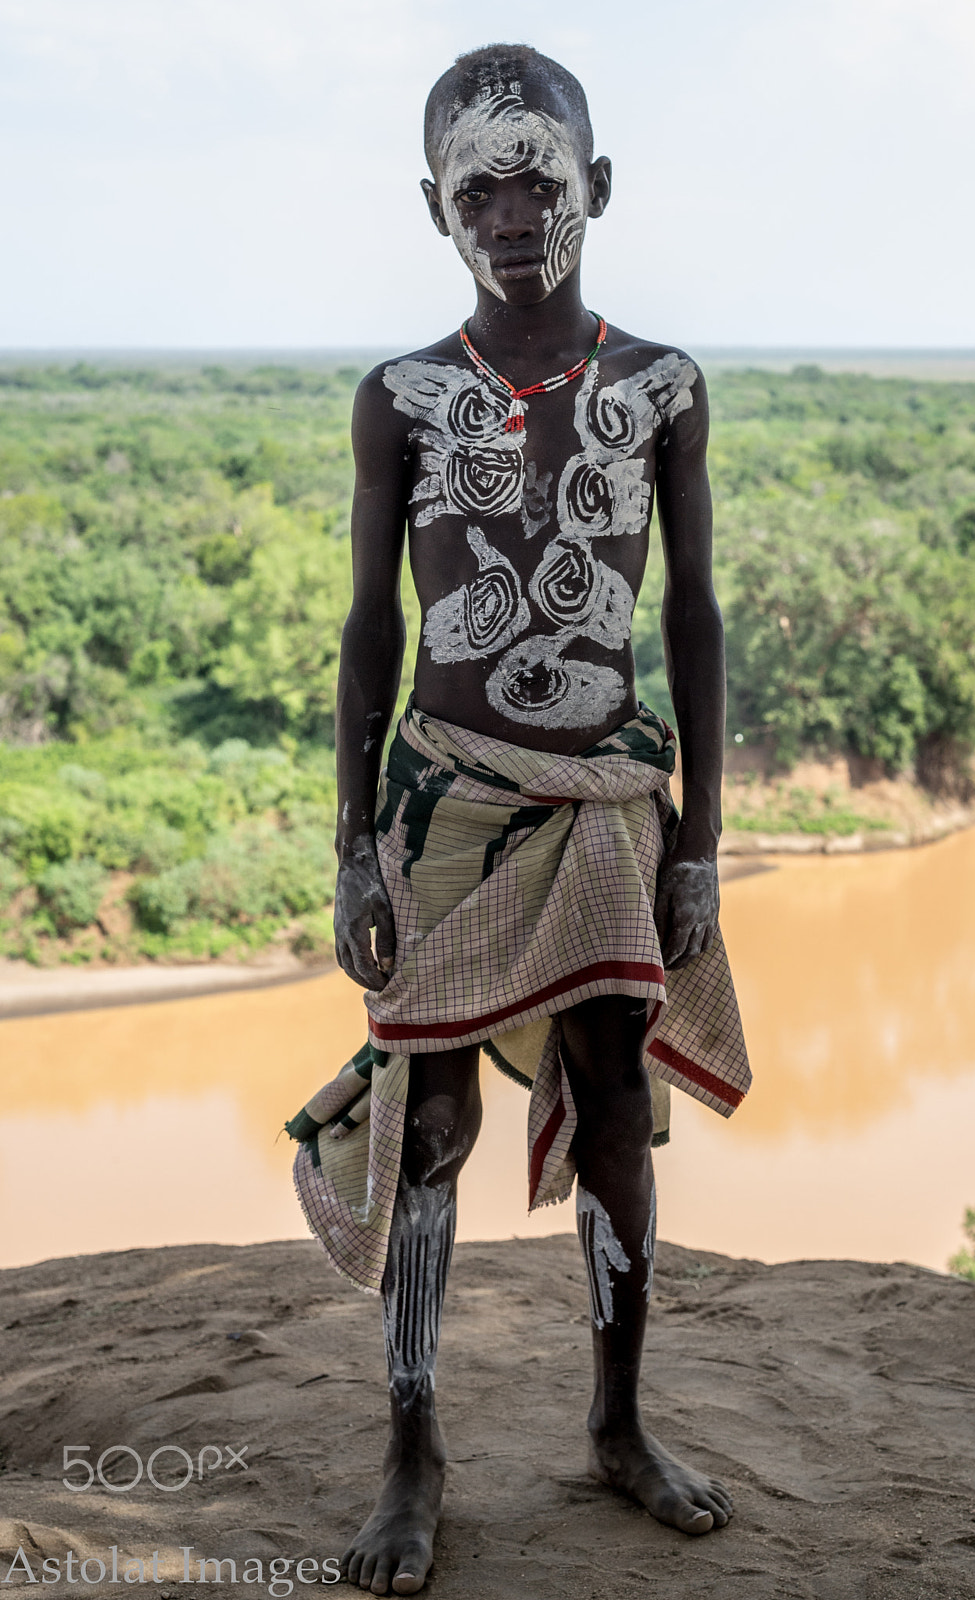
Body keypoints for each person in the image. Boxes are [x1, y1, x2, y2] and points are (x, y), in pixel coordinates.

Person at [312, 42, 750, 1596]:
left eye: (537, 181)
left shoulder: (659, 390)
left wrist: (700, 835)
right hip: (443, 801)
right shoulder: (404, 397)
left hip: (609, 808)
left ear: (597, 191)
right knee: (427, 1121)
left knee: (618, 1113)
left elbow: (692, 615)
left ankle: (618, 1427)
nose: (510, 211)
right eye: (475, 187)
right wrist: (352, 838)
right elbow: (371, 627)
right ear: (433, 209)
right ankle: (412, 1446)